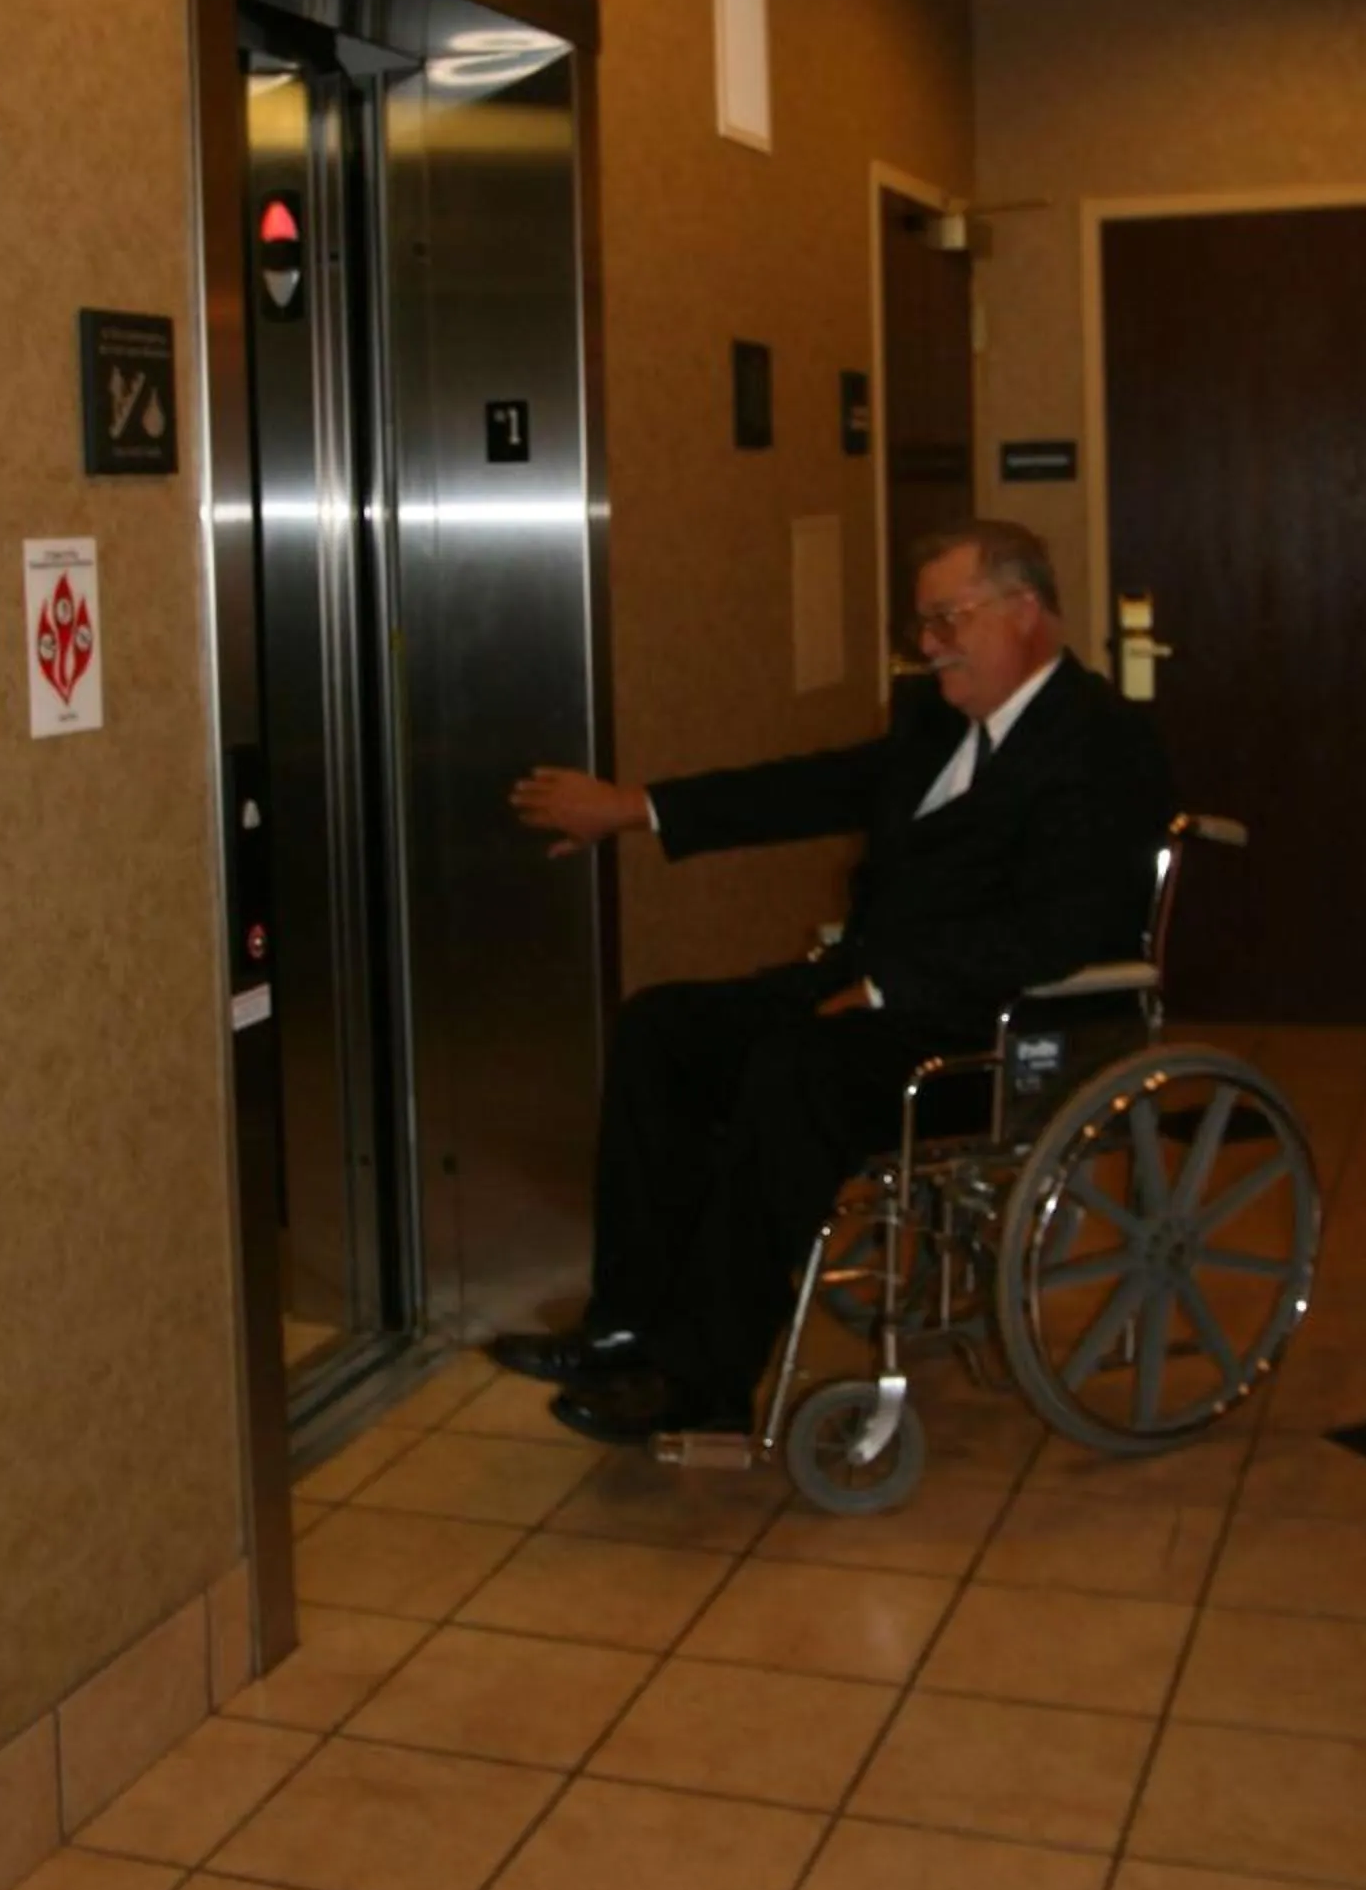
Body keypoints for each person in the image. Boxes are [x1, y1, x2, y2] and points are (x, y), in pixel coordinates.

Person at [496, 519, 1172, 1445]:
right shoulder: (938, 725)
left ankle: (705, 1380)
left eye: (947, 618)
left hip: (990, 1028)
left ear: (1025, 612)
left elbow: (1062, 931)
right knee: (663, 1029)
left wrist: (894, 989)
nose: (927, 643)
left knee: (795, 1068)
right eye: (924, 622)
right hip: (872, 985)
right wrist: (634, 811)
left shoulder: (1101, 746)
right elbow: (810, 788)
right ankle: (628, 1324)